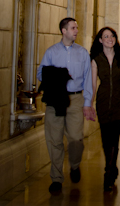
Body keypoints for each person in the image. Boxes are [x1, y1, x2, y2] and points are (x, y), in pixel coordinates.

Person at [37, 17, 94, 195]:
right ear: (63, 30)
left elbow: (88, 79)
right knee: (54, 139)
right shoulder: (52, 52)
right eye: (72, 28)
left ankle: (75, 165)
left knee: (76, 139)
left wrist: (87, 103)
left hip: (76, 99)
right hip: (56, 100)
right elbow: (41, 74)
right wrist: (56, 78)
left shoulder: (83, 53)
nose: (76, 30)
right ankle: (56, 178)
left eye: (76, 27)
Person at [90, 27, 120, 191]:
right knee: (105, 139)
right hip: (103, 102)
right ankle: (112, 166)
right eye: (106, 36)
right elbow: (92, 84)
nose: (110, 39)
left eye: (112, 36)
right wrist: (89, 104)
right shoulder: (96, 59)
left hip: (119, 103)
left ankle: (108, 172)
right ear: (100, 40)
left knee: (114, 138)